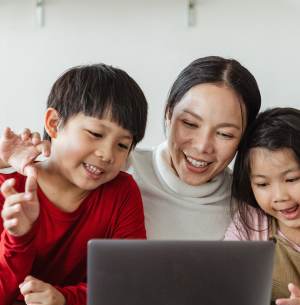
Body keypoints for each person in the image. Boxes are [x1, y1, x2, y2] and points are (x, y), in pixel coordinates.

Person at [0, 56, 262, 240]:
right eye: (190, 123)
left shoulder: (253, 204)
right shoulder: (116, 166)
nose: (203, 146)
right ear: (169, 114)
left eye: (225, 133)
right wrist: (8, 160)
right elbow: (55, 165)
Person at [0, 63, 147, 305]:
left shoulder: (123, 192)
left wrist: (67, 303)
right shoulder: (9, 189)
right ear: (54, 124)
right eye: (95, 134)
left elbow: (129, 285)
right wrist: (18, 238)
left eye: (122, 145)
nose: (107, 154)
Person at [225, 107, 300, 305]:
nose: (279, 197)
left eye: (292, 179)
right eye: (262, 184)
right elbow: (224, 277)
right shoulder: (252, 220)